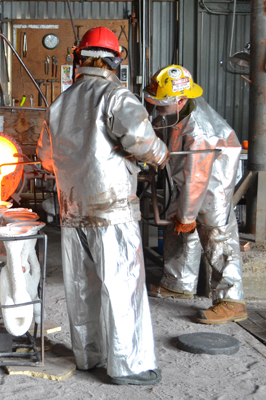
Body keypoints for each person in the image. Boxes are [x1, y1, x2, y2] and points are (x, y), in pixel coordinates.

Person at [37, 27, 168, 386]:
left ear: (79, 60)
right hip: (111, 212)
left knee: (83, 287)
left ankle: (88, 356)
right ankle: (131, 366)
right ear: (114, 62)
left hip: (73, 209)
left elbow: (46, 157)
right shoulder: (116, 97)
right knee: (122, 286)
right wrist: (160, 154)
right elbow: (142, 142)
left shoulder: (60, 104)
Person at [144, 65, 247, 324]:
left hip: (213, 183)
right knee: (179, 225)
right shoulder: (178, 111)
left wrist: (189, 213)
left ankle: (232, 299)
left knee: (216, 234)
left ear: (180, 100)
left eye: (161, 104)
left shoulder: (200, 132)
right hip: (189, 180)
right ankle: (179, 283)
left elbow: (198, 178)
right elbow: (159, 126)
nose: (157, 108)